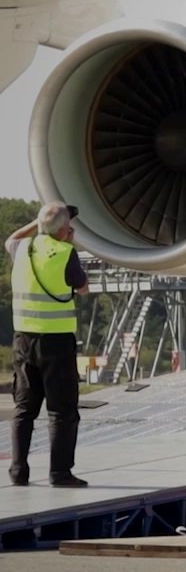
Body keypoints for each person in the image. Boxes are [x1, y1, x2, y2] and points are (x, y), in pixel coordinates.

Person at [7, 202, 89, 488]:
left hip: (23, 341)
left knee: (24, 409)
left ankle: (19, 471)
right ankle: (60, 473)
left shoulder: (21, 249)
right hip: (56, 342)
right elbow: (82, 288)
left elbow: (11, 238)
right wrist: (67, 239)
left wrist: (41, 223)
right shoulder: (67, 253)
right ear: (65, 231)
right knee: (61, 410)